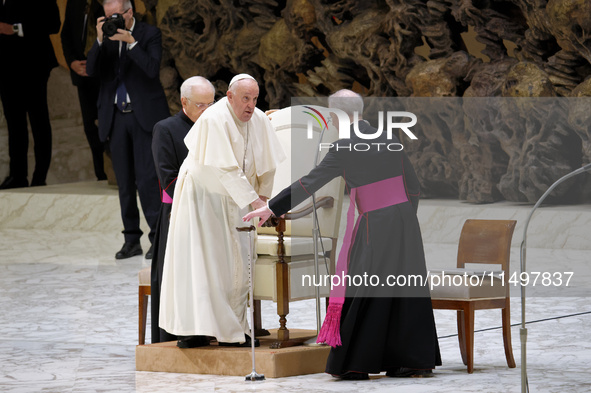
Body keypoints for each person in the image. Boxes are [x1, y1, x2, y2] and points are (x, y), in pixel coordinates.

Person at [243, 89, 441, 379]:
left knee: (366, 287)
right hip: (405, 222)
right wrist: (405, 217)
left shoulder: (344, 147)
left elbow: (308, 184)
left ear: (335, 116)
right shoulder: (389, 137)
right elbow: (414, 186)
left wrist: (271, 208)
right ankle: (414, 361)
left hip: (375, 223)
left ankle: (355, 363)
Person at [159, 74, 285, 348]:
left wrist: (263, 198)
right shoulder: (214, 118)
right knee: (203, 262)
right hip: (202, 198)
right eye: (245, 98)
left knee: (236, 263)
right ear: (229, 96)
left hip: (237, 199)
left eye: (254, 99)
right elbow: (224, 169)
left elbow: (269, 165)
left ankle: (235, 327)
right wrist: (255, 203)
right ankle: (195, 329)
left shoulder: (259, 119)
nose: (250, 105)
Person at [86, 0, 170, 259]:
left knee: (148, 179)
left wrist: (131, 42)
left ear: (129, 12)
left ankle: (157, 238)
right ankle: (131, 239)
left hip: (144, 116)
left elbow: (151, 69)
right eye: (107, 16)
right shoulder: (106, 37)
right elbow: (91, 70)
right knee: (124, 182)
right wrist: (100, 40)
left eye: (115, 16)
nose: (112, 20)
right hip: (116, 117)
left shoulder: (149, 34)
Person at [150, 76, 215, 344]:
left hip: (211, 216)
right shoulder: (166, 129)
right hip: (178, 216)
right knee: (179, 280)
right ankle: (176, 334)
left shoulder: (216, 128)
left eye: (212, 104)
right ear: (183, 102)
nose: (207, 111)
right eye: (201, 105)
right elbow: (169, 178)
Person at [0, 0, 61, 189]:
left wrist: (16, 29)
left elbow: (53, 23)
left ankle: (39, 176)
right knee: (14, 123)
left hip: (34, 64)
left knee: (39, 121)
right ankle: (18, 176)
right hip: (5, 67)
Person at [61, 0, 107, 182]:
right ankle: (100, 174)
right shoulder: (75, 3)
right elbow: (66, 35)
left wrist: (96, 62)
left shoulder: (110, 3)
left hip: (106, 75)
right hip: (82, 74)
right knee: (90, 126)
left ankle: (114, 171)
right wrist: (72, 62)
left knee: (109, 125)